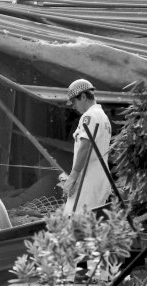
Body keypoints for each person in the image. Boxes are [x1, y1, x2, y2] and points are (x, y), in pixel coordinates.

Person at [62, 79, 112, 214]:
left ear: (83, 97)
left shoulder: (89, 116)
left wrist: (72, 177)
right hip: (99, 178)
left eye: (74, 101)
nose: (73, 106)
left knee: (73, 220)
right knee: (91, 222)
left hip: (87, 180)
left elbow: (85, 146)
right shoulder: (103, 117)